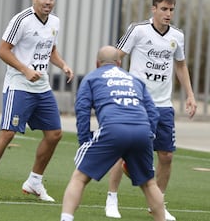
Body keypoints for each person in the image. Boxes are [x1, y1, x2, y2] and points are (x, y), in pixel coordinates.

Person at [0, 0, 74, 201]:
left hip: (42, 86)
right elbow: (2, 50)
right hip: (19, 85)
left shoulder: (55, 22)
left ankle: (34, 182)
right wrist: (25, 69)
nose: (48, 2)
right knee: (8, 132)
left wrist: (63, 65)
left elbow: (50, 50)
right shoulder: (21, 20)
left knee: (55, 134)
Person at [105, 0, 197, 220]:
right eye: (164, 9)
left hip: (163, 105)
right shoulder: (138, 30)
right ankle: (111, 199)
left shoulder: (177, 36)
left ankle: (157, 203)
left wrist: (190, 95)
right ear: (153, 9)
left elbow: (181, 65)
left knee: (166, 156)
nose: (168, 14)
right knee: (123, 149)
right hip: (135, 102)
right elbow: (117, 56)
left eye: (171, 10)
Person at [60, 45, 165, 221]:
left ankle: (66, 218)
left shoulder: (92, 78)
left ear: (97, 63)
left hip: (113, 130)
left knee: (79, 178)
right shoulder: (134, 80)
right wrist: (149, 136)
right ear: (119, 62)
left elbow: (82, 110)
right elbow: (153, 113)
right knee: (149, 183)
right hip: (141, 130)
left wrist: (84, 140)